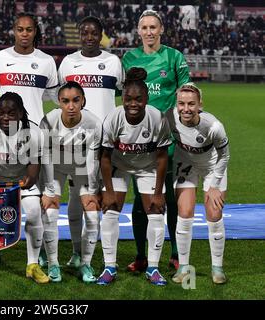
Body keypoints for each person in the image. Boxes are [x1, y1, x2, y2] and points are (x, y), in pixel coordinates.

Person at [0, 12, 58, 266]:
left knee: (41, 193)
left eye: (29, 29)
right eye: (20, 29)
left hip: (37, 135)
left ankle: (43, 248)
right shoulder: (0, 58)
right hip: (3, 136)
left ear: (36, 31)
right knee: (0, 193)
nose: (24, 34)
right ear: (14, 30)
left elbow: (55, 98)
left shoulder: (46, 61)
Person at [122, 9, 190, 272]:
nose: (149, 32)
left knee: (170, 199)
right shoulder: (129, 58)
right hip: (139, 140)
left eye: (153, 27)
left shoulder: (174, 57)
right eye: (145, 28)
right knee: (141, 200)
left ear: (161, 29)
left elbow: (186, 91)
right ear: (138, 31)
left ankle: (174, 253)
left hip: (170, 139)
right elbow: (126, 96)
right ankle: (141, 255)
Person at [57, 16, 123, 268]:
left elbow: (119, 93)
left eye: (94, 33)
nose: (89, 37)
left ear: (101, 34)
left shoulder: (113, 62)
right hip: (75, 143)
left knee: (104, 198)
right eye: (84, 32)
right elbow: (62, 98)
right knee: (76, 198)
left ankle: (106, 257)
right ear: (79, 34)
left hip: (106, 143)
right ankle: (77, 253)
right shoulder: (68, 63)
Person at [98, 67, 171, 286]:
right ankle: (109, 266)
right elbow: (105, 157)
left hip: (148, 167)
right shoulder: (113, 118)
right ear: (123, 99)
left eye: (138, 99)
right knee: (110, 212)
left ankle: (153, 268)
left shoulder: (157, 118)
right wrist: (109, 192)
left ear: (147, 99)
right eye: (128, 99)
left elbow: (162, 157)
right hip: (119, 166)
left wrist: (158, 194)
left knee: (157, 214)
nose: (133, 103)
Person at [0, 92, 52, 284]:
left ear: (21, 113)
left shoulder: (34, 133)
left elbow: (34, 169)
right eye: (1, 112)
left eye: (11, 112)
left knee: (34, 212)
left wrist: (29, 180)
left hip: (21, 179)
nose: (6, 117)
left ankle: (32, 265)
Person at [166, 83, 229, 285]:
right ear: (176, 104)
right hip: (185, 164)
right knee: (184, 213)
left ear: (200, 104)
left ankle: (217, 268)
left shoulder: (213, 126)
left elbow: (224, 155)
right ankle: (184, 267)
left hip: (213, 167)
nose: (186, 108)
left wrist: (214, 185)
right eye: (181, 104)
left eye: (191, 104)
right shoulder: (169, 118)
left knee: (214, 214)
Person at [40, 81, 102, 283]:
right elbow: (46, 157)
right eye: (65, 101)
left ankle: (84, 262)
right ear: (59, 102)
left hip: (82, 167)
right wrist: (50, 190)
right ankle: (53, 264)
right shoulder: (48, 121)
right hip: (56, 167)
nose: (71, 106)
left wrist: (92, 190)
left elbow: (93, 160)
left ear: (83, 100)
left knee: (92, 214)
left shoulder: (93, 123)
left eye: (76, 100)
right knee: (50, 211)